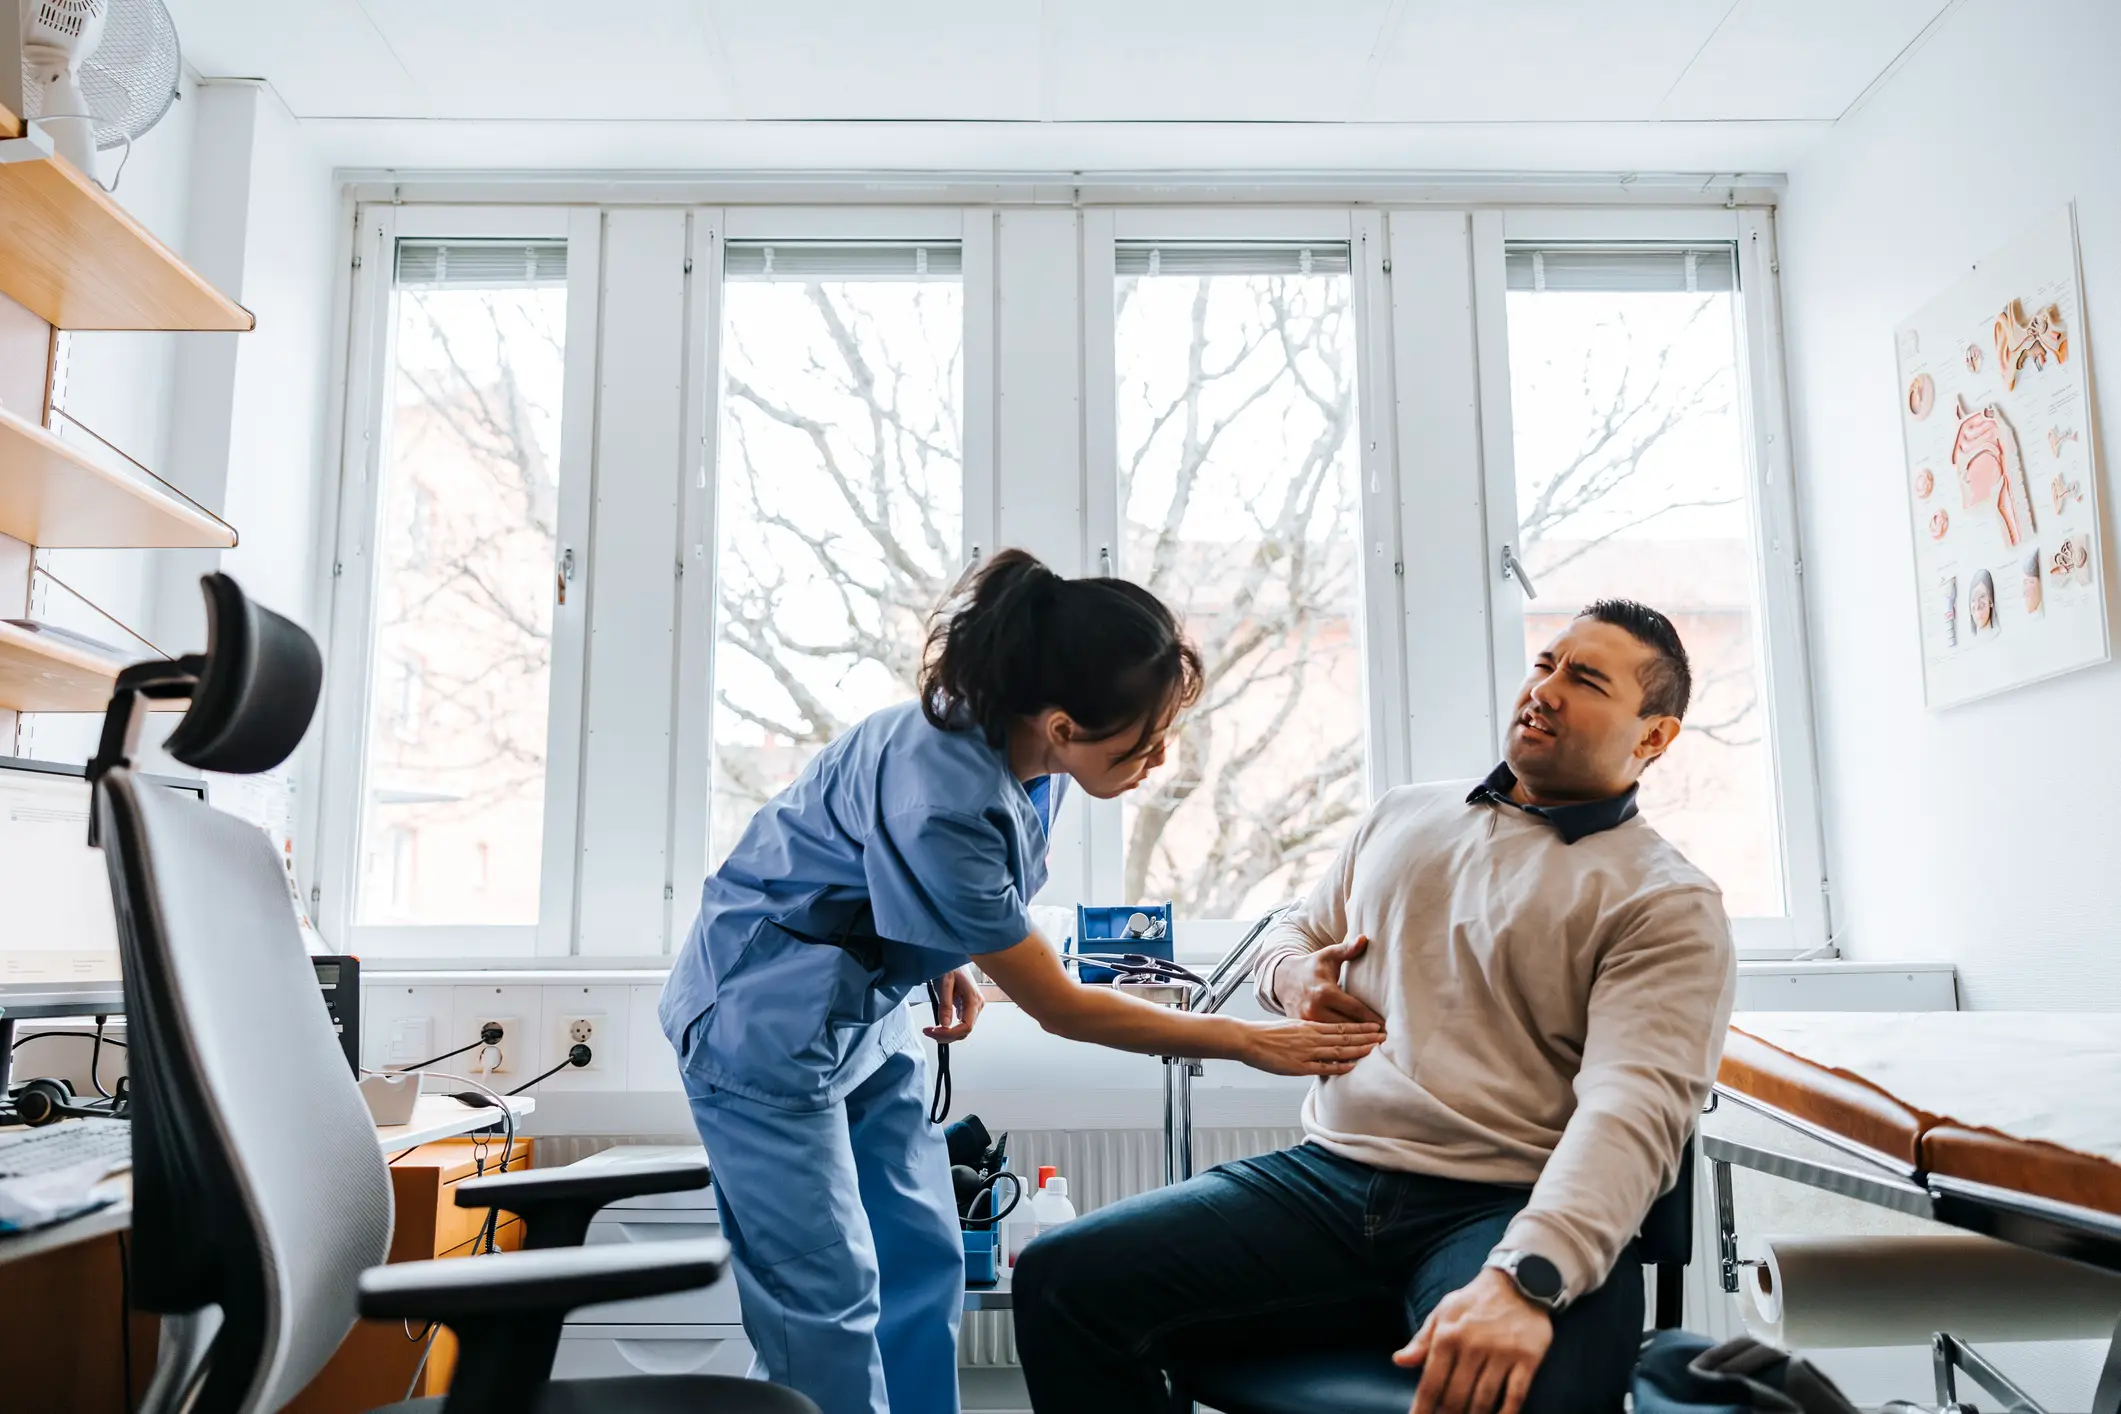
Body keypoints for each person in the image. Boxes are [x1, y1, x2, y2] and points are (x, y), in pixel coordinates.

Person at [658, 549, 1385, 1414]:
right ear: (1063, 723)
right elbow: (1060, 1007)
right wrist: (1248, 1042)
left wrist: (945, 950)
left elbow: (901, 873)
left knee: (920, 1252)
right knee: (824, 1291)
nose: (1158, 757)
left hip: (863, 1007)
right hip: (762, 1020)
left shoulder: (1023, 749)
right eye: (1143, 739)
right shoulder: (943, 794)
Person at [1014, 600, 1737, 1414]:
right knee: (1061, 1280)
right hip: (1328, 1182)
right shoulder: (1408, 814)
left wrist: (1525, 1278)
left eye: (1586, 680)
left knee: (1514, 1391)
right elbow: (1292, 929)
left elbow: (1629, 1115)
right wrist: (1293, 980)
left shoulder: (1665, 900)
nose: (1546, 690)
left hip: (1508, 1200)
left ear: (1652, 737)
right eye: (1545, 664)